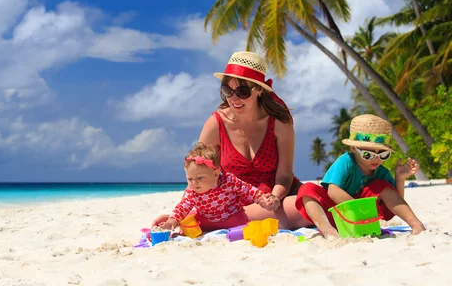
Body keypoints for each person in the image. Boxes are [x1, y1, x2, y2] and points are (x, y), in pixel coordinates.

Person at [153, 51, 310, 229]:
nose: (234, 98)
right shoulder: (216, 124)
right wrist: (178, 215)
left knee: (307, 203)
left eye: (243, 91)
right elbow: (197, 171)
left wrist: (273, 198)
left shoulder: (280, 122)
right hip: (231, 205)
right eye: (228, 90)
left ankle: (217, 222)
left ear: (259, 90)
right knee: (299, 212)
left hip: (274, 199)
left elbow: (284, 175)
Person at [295, 114, 426, 238]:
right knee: (307, 189)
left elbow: (396, 202)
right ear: (353, 148)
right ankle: (327, 230)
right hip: (336, 213)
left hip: (365, 217)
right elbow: (333, 191)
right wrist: (359, 209)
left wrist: (400, 178)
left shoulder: (382, 173)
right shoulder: (346, 162)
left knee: (383, 187)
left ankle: (416, 225)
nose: (376, 159)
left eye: (383, 154)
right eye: (368, 154)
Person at [158, 143, 281, 232]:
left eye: (200, 178)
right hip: (206, 220)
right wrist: (172, 221)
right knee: (189, 222)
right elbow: (183, 206)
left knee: (244, 227)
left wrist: (262, 200)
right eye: (190, 179)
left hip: (232, 217)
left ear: (216, 174)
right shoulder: (192, 191)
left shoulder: (229, 181)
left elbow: (249, 191)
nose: (194, 183)